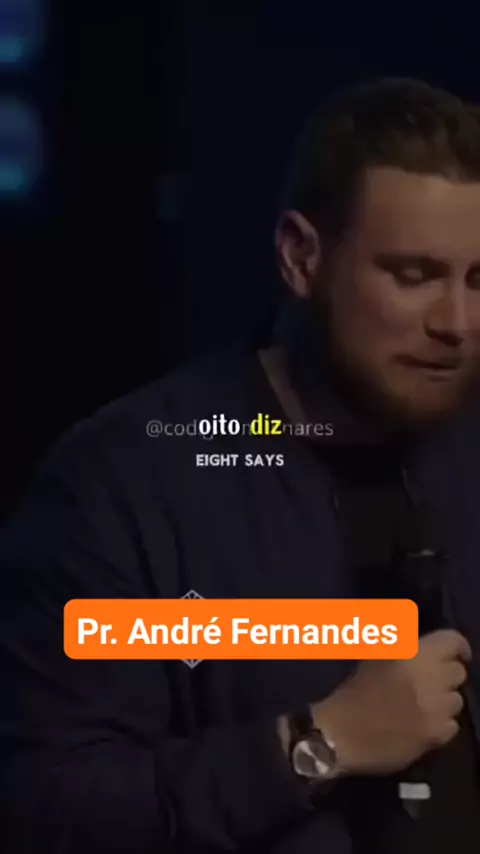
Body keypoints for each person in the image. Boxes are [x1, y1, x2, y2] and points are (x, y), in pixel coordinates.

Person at [2, 77, 480, 854]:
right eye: (414, 275)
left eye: (479, 281)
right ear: (301, 257)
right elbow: (45, 806)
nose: (456, 323)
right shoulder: (131, 483)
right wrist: (318, 742)